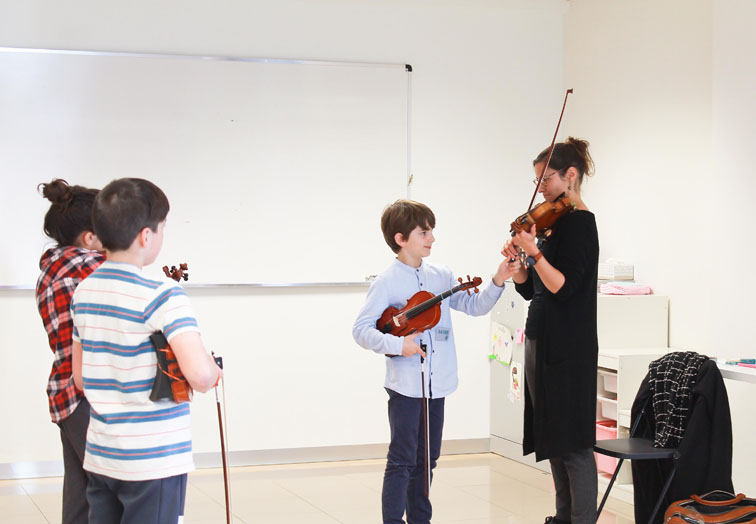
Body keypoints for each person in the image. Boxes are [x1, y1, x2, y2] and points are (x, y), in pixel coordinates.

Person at [353, 199, 520, 524]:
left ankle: (420, 520)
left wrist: (498, 279)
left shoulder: (442, 276)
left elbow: (475, 306)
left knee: (427, 459)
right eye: (424, 232)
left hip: (437, 384)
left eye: (431, 231)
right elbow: (361, 330)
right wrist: (399, 344)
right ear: (401, 239)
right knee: (402, 460)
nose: (432, 238)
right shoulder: (386, 281)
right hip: (405, 386)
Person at [70, 178, 222, 524]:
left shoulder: (85, 291)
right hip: (152, 458)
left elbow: (80, 378)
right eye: (162, 227)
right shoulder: (162, 293)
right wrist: (214, 371)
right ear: (146, 235)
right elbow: (200, 376)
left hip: (102, 454)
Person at [502, 137, 599, 524]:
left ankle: (581, 519)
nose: (540, 189)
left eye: (546, 179)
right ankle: (562, 518)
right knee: (553, 437)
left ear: (570, 175)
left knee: (573, 441)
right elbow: (534, 290)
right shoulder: (552, 225)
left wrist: (535, 253)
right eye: (537, 181)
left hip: (569, 344)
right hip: (540, 335)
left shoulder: (581, 223)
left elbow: (565, 287)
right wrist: (520, 267)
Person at [36, 179, 106, 524]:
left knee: (81, 495)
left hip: (66, 393)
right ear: (90, 237)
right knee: (111, 494)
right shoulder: (92, 268)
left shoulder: (52, 267)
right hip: (91, 393)